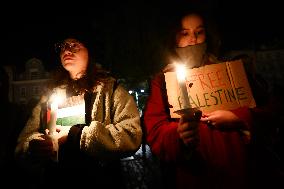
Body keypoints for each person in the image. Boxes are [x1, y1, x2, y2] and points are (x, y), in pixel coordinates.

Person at [143, 3, 257, 189]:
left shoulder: (229, 73)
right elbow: (155, 132)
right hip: (195, 176)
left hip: (238, 172)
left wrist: (239, 118)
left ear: (208, 35)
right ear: (174, 38)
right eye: (185, 33)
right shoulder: (163, 82)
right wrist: (179, 135)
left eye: (199, 32)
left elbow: (264, 113)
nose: (193, 40)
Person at [14, 30, 142, 188]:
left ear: (89, 50)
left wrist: (77, 134)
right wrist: (34, 146)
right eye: (63, 46)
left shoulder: (110, 90)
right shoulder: (50, 94)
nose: (67, 50)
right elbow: (25, 139)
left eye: (74, 45)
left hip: (100, 181)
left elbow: (131, 135)